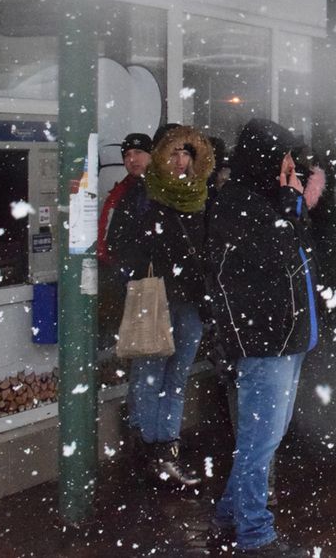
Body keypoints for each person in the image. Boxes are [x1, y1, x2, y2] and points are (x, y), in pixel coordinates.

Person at [206, 119, 320, 556]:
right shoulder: (237, 204)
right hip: (265, 340)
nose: (291, 166)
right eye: (284, 157)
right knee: (259, 442)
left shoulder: (266, 202)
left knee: (266, 437)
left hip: (287, 338)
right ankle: (254, 534)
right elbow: (274, 256)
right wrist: (290, 206)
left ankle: (227, 517)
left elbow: (300, 250)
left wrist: (292, 206)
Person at [127, 124, 214, 485]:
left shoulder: (202, 195)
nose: (180, 161)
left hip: (190, 300)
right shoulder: (145, 195)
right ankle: (151, 450)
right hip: (158, 296)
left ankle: (168, 450)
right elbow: (126, 246)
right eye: (174, 153)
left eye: (186, 153)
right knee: (152, 376)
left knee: (176, 376)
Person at [98, 133, 152, 340]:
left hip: (146, 277)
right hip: (124, 274)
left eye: (138, 152)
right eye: (127, 155)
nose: (132, 159)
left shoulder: (157, 189)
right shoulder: (123, 189)